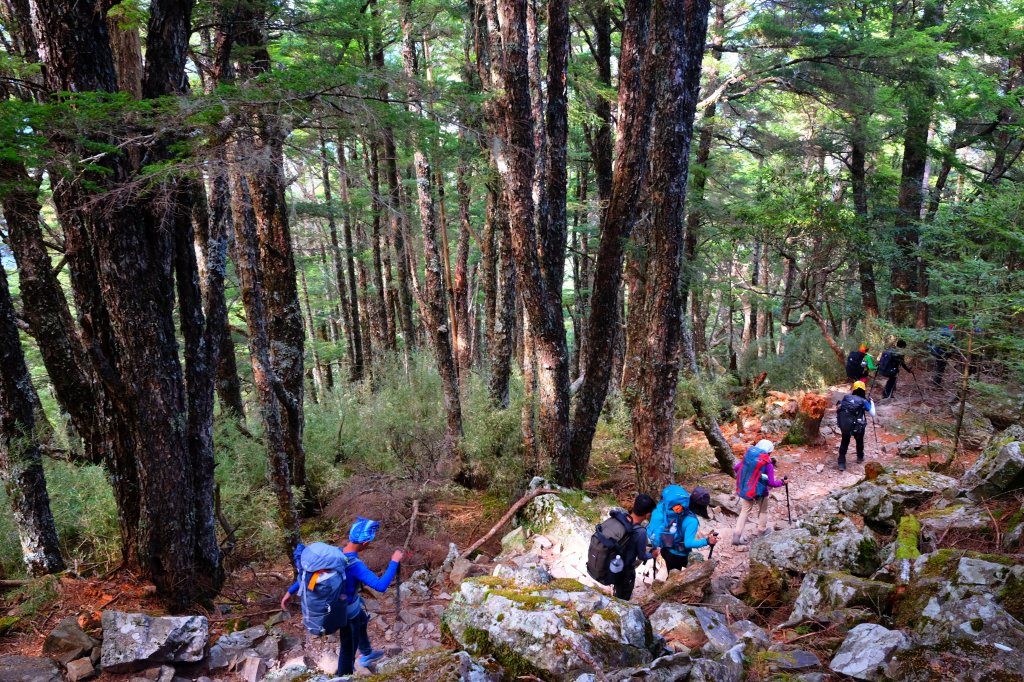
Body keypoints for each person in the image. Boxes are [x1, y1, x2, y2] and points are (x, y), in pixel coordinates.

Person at [281, 518, 403, 674]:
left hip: (349, 605)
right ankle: (344, 676)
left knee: (362, 618)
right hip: (346, 612)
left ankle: (366, 652)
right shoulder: (355, 565)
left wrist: (290, 591)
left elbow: (311, 576)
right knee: (348, 648)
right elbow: (381, 586)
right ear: (365, 543)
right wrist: (394, 561)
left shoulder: (335, 554)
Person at [732, 439, 787, 545]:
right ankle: (761, 531)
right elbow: (771, 483)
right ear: (769, 452)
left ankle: (736, 536)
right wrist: (782, 482)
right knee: (763, 511)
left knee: (744, 511)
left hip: (747, 490)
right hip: (761, 492)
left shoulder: (748, 458)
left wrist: (747, 477)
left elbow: (736, 468)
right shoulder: (768, 464)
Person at [651, 486, 718, 572]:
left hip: (666, 548)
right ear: (703, 507)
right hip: (678, 555)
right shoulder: (692, 521)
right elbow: (688, 543)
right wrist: (707, 541)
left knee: (671, 573)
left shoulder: (677, 508)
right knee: (676, 579)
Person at [610, 494, 658, 600]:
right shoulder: (640, 532)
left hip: (613, 563)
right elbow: (642, 556)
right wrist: (653, 554)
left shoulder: (622, 517)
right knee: (623, 598)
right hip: (626, 570)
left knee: (617, 591)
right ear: (648, 514)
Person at [836, 381, 876, 472]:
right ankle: (860, 457)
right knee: (859, 441)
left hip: (845, 425)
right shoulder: (864, 401)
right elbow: (873, 413)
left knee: (845, 442)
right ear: (863, 390)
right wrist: (872, 402)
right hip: (857, 427)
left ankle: (841, 462)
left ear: (854, 389)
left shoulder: (846, 398)